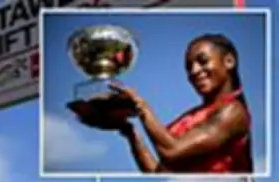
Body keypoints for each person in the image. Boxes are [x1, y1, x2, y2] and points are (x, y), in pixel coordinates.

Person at [108, 34, 252, 173]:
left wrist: (141, 106)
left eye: (203, 61)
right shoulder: (191, 116)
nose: (194, 71)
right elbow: (158, 173)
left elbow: (171, 151)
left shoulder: (233, 112)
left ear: (229, 62)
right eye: (189, 67)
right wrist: (131, 133)